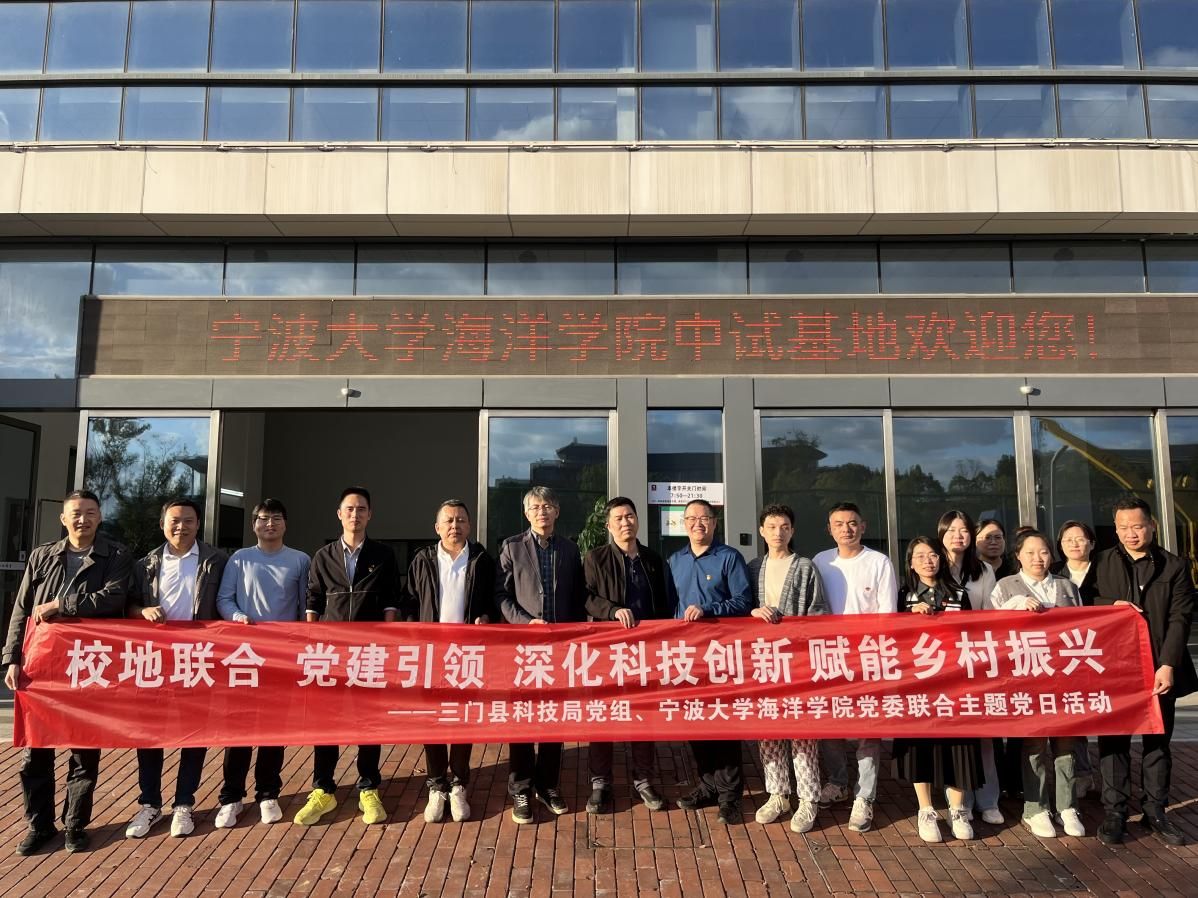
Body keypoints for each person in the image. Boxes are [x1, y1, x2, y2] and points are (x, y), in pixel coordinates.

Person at [3, 490, 133, 855]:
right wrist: (12, 657)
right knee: (36, 751)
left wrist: (61, 604)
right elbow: (22, 610)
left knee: (83, 749)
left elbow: (114, 598)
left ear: (99, 517)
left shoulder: (116, 555)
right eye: (76, 513)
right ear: (63, 519)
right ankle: (39, 825)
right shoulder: (42, 556)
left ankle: (75, 825)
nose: (83, 519)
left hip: (88, 664)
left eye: (90, 513)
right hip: (42, 665)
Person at [1092, 496, 1196, 846]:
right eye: (1123, 527)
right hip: (1114, 668)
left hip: (1158, 666)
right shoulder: (1101, 561)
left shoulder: (1174, 566)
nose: (1130, 533)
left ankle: (1156, 811)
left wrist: (1168, 665)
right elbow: (1083, 601)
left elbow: (1180, 618)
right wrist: (1110, 605)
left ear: (1152, 525)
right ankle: (1115, 813)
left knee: (1157, 741)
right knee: (1113, 740)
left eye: (1137, 526)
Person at [295, 486, 401, 827]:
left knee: (368, 721)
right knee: (326, 722)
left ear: (370, 515)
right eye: (350, 509)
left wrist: (386, 644)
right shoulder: (323, 556)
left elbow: (391, 601)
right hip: (331, 654)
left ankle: (368, 787)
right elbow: (313, 601)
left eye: (362, 509)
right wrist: (313, 643)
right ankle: (323, 788)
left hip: (370, 653)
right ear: (340, 514)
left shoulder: (383, 555)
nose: (356, 514)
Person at [126, 498, 229, 839]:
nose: (180, 526)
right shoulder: (146, 564)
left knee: (193, 733)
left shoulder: (216, 561)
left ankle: (184, 803)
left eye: (188, 520)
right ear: (162, 524)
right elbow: (128, 605)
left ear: (198, 524)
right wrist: (142, 611)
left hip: (197, 658)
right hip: (155, 659)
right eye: (174, 520)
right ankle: (149, 803)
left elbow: (226, 602)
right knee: (150, 733)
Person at [213, 498, 309, 829]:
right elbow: (224, 599)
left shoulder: (300, 560)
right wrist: (237, 616)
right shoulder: (239, 559)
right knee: (239, 728)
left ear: (286, 524)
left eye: (276, 518)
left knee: (274, 728)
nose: (270, 524)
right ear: (254, 524)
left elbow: (305, 606)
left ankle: (268, 793)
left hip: (282, 656)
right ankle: (231, 797)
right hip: (245, 655)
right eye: (264, 518)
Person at [496, 486, 587, 824]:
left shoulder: (570, 549)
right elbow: (501, 596)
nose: (542, 512)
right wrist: (525, 623)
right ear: (526, 513)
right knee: (521, 718)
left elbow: (577, 598)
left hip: (559, 649)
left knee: (553, 717)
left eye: (547, 506)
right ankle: (521, 787)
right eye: (535, 507)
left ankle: (548, 784)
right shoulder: (512, 547)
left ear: (557, 511)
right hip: (523, 648)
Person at [403, 499, 495, 824]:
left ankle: (458, 783)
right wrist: (413, 631)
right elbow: (409, 600)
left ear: (469, 525)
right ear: (437, 527)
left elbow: (492, 600)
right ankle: (436, 784)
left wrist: (486, 617)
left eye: (461, 520)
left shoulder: (482, 559)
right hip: (431, 653)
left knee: (463, 718)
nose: (455, 525)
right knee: (432, 718)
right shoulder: (423, 559)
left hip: (467, 653)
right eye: (449, 520)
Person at [990, 530, 1084, 838]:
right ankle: (1036, 807)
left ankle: (1067, 806)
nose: (1037, 558)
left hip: (1064, 676)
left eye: (1043, 552)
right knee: (1033, 744)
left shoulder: (1067, 586)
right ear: (1017, 555)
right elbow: (991, 631)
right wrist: (1014, 606)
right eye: (1029, 552)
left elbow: (1085, 628)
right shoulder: (1006, 587)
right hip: (1026, 678)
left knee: (1066, 743)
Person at [582, 497, 671, 814]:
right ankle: (600, 782)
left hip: (644, 650)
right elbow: (586, 597)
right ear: (608, 525)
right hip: (606, 651)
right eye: (618, 518)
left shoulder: (653, 559)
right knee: (602, 714)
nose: (625, 522)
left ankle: (643, 779)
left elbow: (664, 603)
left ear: (637, 520)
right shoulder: (595, 558)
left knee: (643, 714)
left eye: (630, 516)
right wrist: (612, 611)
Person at [812, 502, 897, 833]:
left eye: (852, 523)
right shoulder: (821, 561)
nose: (846, 529)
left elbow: (888, 613)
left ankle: (865, 796)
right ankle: (838, 782)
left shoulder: (878, 562)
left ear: (863, 526)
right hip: (829, 656)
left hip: (866, 656)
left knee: (866, 727)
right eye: (838, 524)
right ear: (829, 529)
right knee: (830, 724)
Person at [670, 499, 753, 825]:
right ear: (683, 524)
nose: (698, 523)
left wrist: (709, 610)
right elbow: (670, 606)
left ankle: (730, 796)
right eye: (691, 518)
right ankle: (707, 785)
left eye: (704, 517)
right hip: (686, 656)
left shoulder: (729, 558)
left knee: (723, 723)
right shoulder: (675, 560)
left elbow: (743, 601)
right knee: (695, 722)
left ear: (714, 522)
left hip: (720, 653)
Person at [892, 537, 980, 844]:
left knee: (960, 745)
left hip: (954, 683)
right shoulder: (902, 596)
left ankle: (957, 810)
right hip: (917, 685)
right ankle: (926, 809)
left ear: (942, 559)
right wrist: (908, 618)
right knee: (921, 745)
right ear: (910, 563)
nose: (927, 561)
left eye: (932, 555)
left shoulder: (959, 594)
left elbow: (973, 635)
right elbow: (891, 637)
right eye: (920, 556)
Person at [749, 504, 826, 833]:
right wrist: (753, 612)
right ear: (762, 531)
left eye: (784, 526)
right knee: (768, 730)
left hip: (798, 662)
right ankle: (778, 794)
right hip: (764, 660)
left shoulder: (805, 567)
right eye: (771, 526)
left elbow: (819, 612)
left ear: (792, 531)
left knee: (802, 731)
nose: (777, 532)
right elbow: (742, 607)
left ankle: (808, 799)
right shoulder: (754, 568)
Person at [937, 510, 1003, 826]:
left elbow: (990, 612)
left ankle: (988, 800)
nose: (958, 536)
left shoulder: (984, 570)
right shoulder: (933, 566)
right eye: (951, 530)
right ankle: (958, 798)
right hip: (941, 660)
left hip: (976, 656)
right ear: (941, 534)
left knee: (983, 731)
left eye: (963, 530)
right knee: (952, 732)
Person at [1052, 519, 1100, 799]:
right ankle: (1081, 773)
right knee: (1073, 713)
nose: (1074, 544)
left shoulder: (1105, 569)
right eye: (1067, 539)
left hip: (1098, 650)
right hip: (1065, 654)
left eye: (1080, 538)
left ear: (1091, 543)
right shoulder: (1054, 573)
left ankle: (1102, 774)